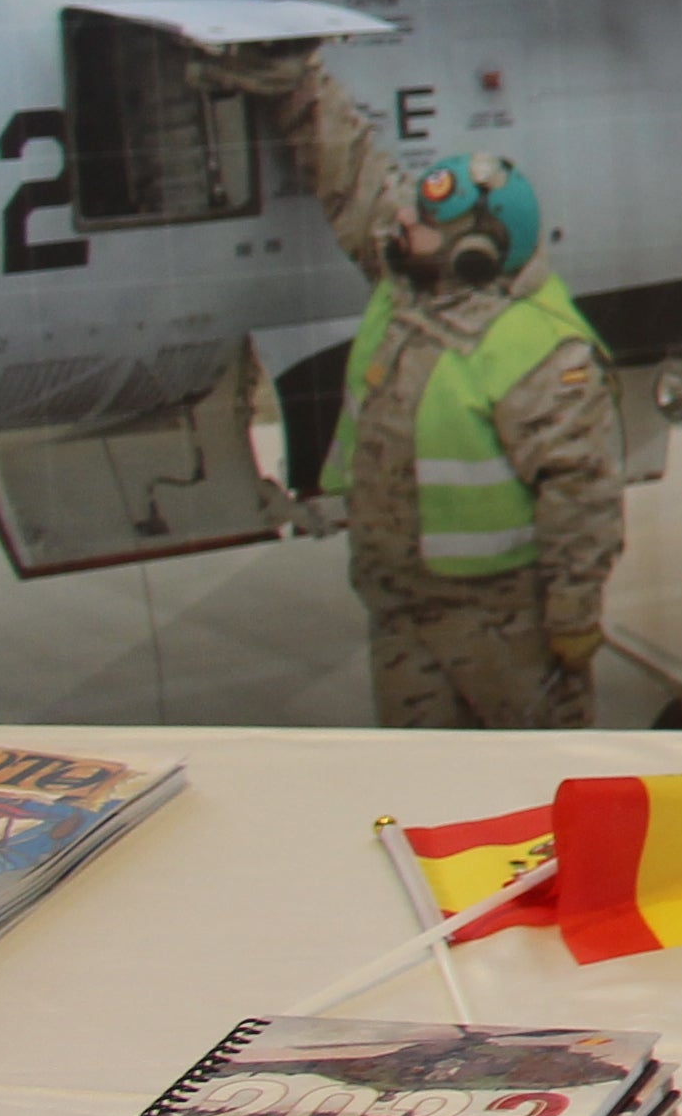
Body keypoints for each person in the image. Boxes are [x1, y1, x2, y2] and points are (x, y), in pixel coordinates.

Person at [196, 44, 621, 728]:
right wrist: (297, 82)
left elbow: (583, 497)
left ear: (473, 254)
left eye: (421, 225)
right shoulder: (408, 279)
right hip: (401, 607)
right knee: (424, 790)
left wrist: (573, 616)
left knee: (535, 791)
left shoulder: (539, 351)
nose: (401, 224)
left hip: (501, 625)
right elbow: (355, 173)